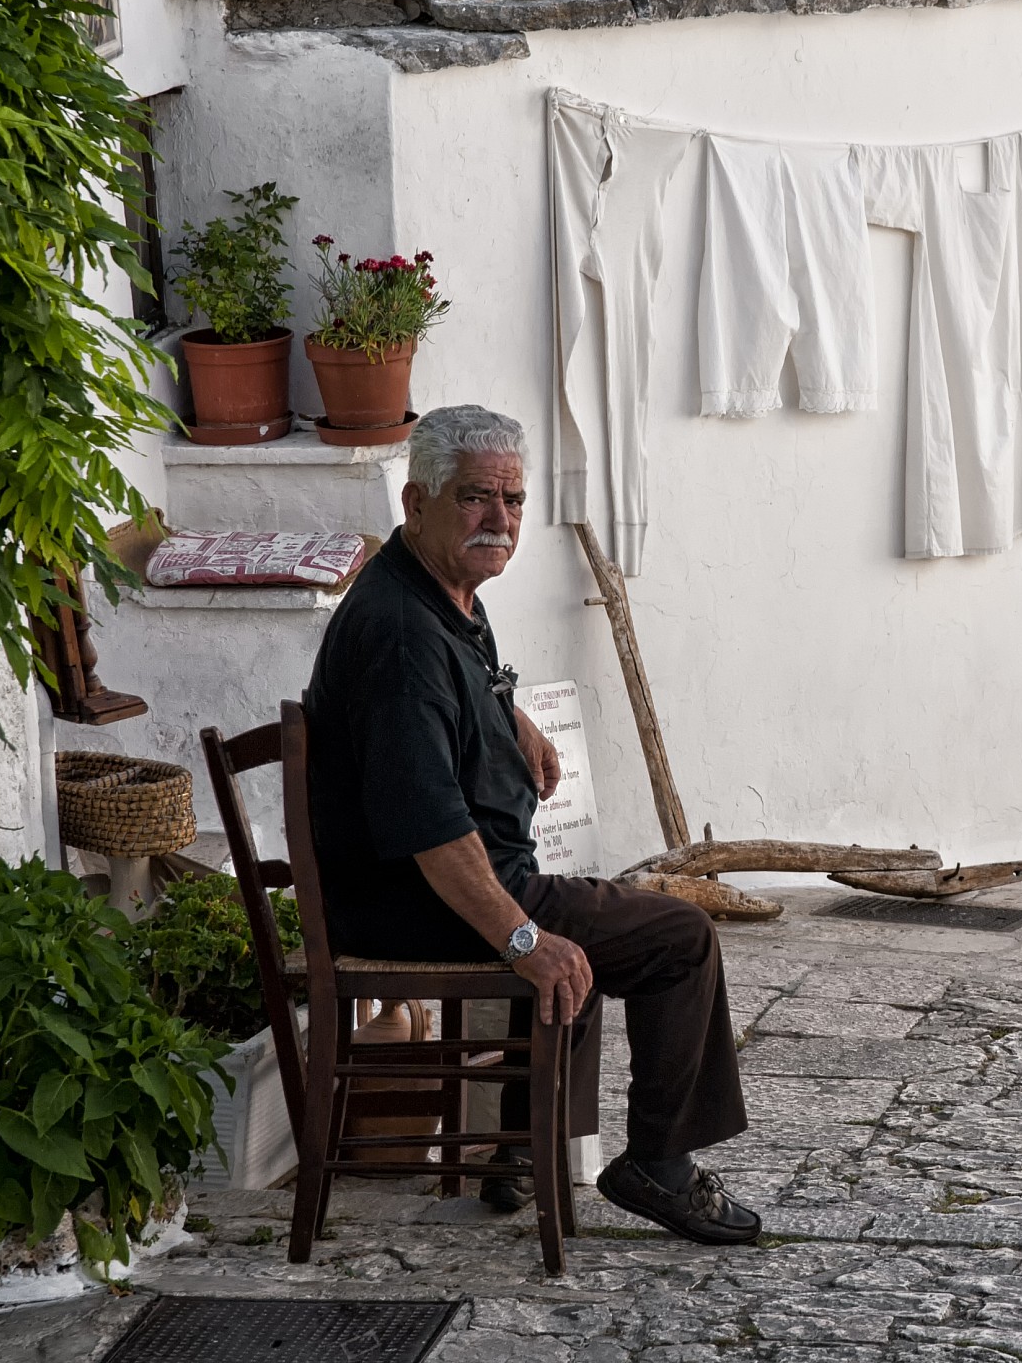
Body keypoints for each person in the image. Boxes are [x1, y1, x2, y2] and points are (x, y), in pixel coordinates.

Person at [304, 403, 759, 1243]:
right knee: (676, 938)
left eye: (513, 501)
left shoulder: (436, 587)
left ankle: (518, 1150)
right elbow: (435, 833)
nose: (501, 521)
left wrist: (509, 714)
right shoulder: (402, 637)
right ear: (416, 501)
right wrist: (522, 939)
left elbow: (465, 678)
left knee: (583, 932)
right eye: (478, 498)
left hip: (427, 884)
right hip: (416, 900)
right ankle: (658, 1164)